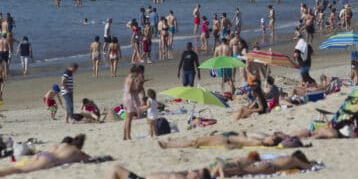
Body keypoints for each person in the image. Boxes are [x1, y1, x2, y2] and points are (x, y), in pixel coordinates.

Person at [0, 135, 90, 177]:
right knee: (20, 170)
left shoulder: (55, 146)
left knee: (22, 167)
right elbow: (88, 158)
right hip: (50, 159)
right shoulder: (75, 150)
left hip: (41, 154)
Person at [158, 131, 288, 149]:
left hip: (225, 140)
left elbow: (242, 142)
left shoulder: (259, 142)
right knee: (195, 141)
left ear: (271, 142)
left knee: (195, 142)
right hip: (226, 140)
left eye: (273, 138)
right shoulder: (260, 141)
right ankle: (171, 143)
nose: (272, 136)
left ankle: (169, 145)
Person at [123, 65, 141, 140]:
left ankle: (125, 136)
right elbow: (130, 90)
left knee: (127, 118)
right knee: (129, 119)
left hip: (126, 98)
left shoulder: (127, 78)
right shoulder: (131, 79)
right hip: (130, 98)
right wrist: (137, 90)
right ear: (135, 72)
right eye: (138, 73)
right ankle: (128, 136)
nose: (138, 75)